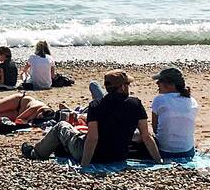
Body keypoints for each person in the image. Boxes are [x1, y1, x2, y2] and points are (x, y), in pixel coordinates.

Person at [26, 70, 161, 167]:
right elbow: (146, 136)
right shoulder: (135, 104)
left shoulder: (96, 105)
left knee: (61, 126)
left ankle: (35, 153)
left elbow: (93, 138)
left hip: (92, 155)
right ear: (122, 87)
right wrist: (158, 160)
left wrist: (85, 165)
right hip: (119, 155)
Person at [149, 66, 198, 159]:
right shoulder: (192, 101)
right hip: (187, 151)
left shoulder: (160, 100)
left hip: (165, 151)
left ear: (170, 84)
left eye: (160, 81)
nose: (157, 84)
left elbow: (155, 128)